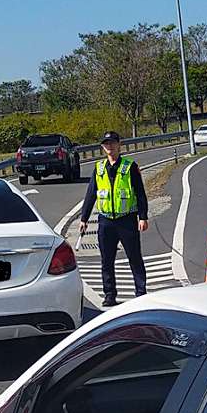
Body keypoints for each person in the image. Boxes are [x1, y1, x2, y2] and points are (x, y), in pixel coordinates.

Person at [78, 131, 149, 308]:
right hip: (106, 221)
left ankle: (140, 292)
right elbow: (91, 194)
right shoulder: (99, 168)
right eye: (106, 144)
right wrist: (84, 218)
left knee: (134, 257)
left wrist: (143, 216)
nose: (109, 146)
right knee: (106, 260)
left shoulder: (129, 166)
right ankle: (109, 295)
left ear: (119, 145)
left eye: (112, 143)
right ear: (103, 147)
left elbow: (140, 193)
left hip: (127, 220)